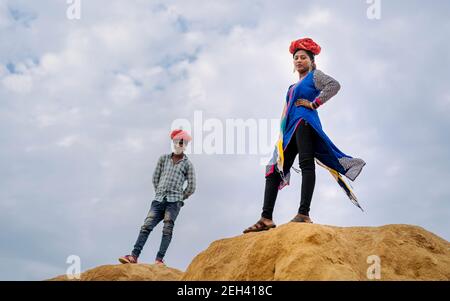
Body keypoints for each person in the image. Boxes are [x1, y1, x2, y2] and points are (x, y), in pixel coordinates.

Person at [244, 37, 365, 233]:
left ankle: (303, 213)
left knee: (306, 163)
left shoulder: (315, 76)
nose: (299, 60)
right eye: (296, 58)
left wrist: (314, 104)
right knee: (274, 169)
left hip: (306, 123)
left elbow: (334, 85)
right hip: (291, 129)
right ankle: (266, 218)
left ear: (311, 61)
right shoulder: (291, 88)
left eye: (303, 57)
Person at [119, 129, 196, 264]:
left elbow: (192, 186)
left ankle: (159, 260)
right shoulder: (163, 159)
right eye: (179, 141)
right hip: (159, 200)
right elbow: (155, 178)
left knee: (167, 229)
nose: (181, 144)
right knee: (146, 226)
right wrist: (159, 191)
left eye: (184, 142)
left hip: (174, 202)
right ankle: (133, 256)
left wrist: (180, 198)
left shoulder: (187, 164)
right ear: (174, 142)